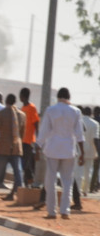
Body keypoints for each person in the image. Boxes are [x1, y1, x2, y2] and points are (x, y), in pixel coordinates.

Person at [37, 88, 84, 219]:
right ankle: (65, 211)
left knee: (50, 181)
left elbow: (44, 130)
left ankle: (52, 212)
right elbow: (79, 134)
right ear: (69, 97)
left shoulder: (50, 110)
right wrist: (82, 153)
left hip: (53, 149)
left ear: (58, 97)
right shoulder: (76, 111)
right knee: (67, 181)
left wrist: (38, 145)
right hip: (69, 149)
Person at [19, 88, 40, 187]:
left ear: (23, 96)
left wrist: (38, 141)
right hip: (21, 140)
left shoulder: (32, 108)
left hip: (29, 141)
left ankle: (31, 182)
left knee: (25, 163)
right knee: (24, 164)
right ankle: (28, 183)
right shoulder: (22, 109)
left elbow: (36, 124)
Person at [75, 106, 98, 196]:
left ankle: (78, 190)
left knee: (78, 171)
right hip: (91, 151)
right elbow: (95, 139)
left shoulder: (79, 121)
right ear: (91, 113)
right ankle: (85, 190)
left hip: (79, 149)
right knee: (88, 171)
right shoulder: (95, 124)